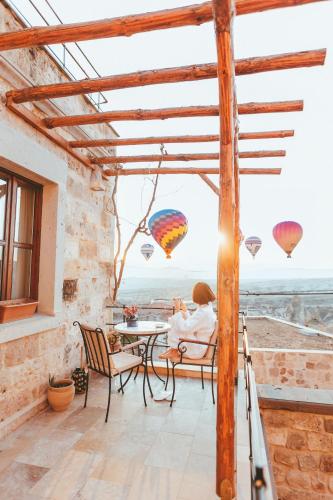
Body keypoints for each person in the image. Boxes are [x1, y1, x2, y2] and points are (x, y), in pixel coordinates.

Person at [159, 282, 216, 360]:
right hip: (198, 345)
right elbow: (193, 324)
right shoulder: (207, 308)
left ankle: (174, 349)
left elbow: (185, 328)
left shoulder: (203, 312)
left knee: (177, 323)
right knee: (178, 319)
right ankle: (173, 349)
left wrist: (177, 309)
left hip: (196, 350)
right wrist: (185, 310)